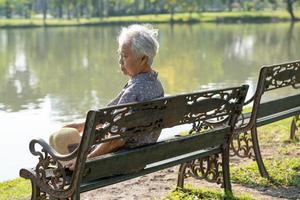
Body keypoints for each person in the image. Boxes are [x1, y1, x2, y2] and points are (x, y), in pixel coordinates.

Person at [49, 24, 164, 170]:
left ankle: (68, 177)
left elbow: (115, 142)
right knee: (69, 134)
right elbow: (114, 120)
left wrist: (84, 161)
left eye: (125, 56)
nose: (120, 61)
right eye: (119, 54)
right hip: (139, 156)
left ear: (142, 59)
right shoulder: (155, 85)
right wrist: (82, 125)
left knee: (59, 138)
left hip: (117, 162)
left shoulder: (134, 91)